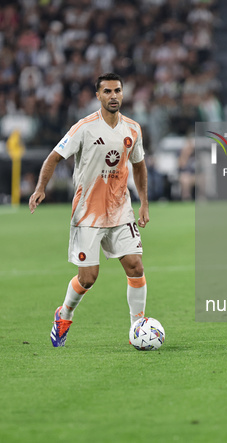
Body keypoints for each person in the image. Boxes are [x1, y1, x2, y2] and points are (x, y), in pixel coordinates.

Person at [29, 72, 150, 347]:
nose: (113, 96)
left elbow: (139, 166)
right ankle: (64, 315)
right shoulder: (84, 128)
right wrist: (40, 188)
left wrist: (143, 202)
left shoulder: (133, 128)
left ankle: (137, 328)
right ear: (98, 96)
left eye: (117, 91)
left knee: (135, 265)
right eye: (107, 91)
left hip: (120, 210)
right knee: (88, 277)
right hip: (88, 213)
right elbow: (54, 157)